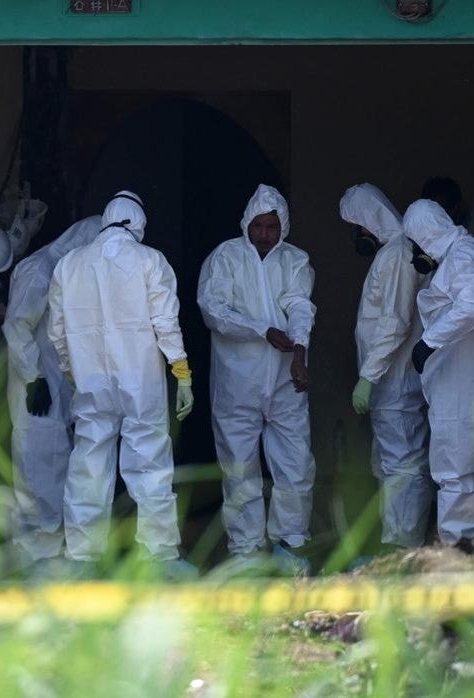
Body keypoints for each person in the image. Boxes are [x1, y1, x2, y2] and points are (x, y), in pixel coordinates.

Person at [47, 191, 196, 578]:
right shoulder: (150, 261)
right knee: (149, 463)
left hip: (91, 382)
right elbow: (166, 323)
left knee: (88, 466)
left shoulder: (69, 265)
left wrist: (69, 371)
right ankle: (160, 557)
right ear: (138, 223)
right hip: (141, 383)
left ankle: (82, 559)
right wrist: (182, 374)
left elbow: (57, 332)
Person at [197, 184, 316, 574]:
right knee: (239, 465)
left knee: (295, 463)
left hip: (285, 381)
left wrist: (299, 351)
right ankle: (247, 550)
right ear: (246, 223)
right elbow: (213, 310)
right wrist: (261, 330)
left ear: (284, 226)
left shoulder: (295, 261)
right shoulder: (225, 258)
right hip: (238, 383)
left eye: (272, 226)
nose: (265, 234)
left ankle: (291, 543)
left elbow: (300, 305)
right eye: (259, 226)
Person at [402, 199, 474, 549]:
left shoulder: (461, 258)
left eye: (414, 244)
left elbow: (473, 306)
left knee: (452, 471)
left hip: (457, 383)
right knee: (469, 470)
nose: (414, 253)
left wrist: (428, 343)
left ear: (425, 235)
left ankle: (457, 552)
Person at [2, 215, 104, 569]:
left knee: (58, 466)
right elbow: (17, 327)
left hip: (57, 387)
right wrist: (34, 378)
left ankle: (51, 552)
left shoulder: (72, 272)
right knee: (37, 465)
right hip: (36, 388)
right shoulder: (40, 270)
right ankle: (34, 556)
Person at [339, 184, 431, 549]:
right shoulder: (397, 251)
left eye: (355, 227)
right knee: (393, 465)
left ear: (366, 223)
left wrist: (368, 377)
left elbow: (395, 322)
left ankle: (402, 551)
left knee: (403, 466)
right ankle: (396, 547)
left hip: (394, 384)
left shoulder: (396, 255)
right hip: (391, 384)